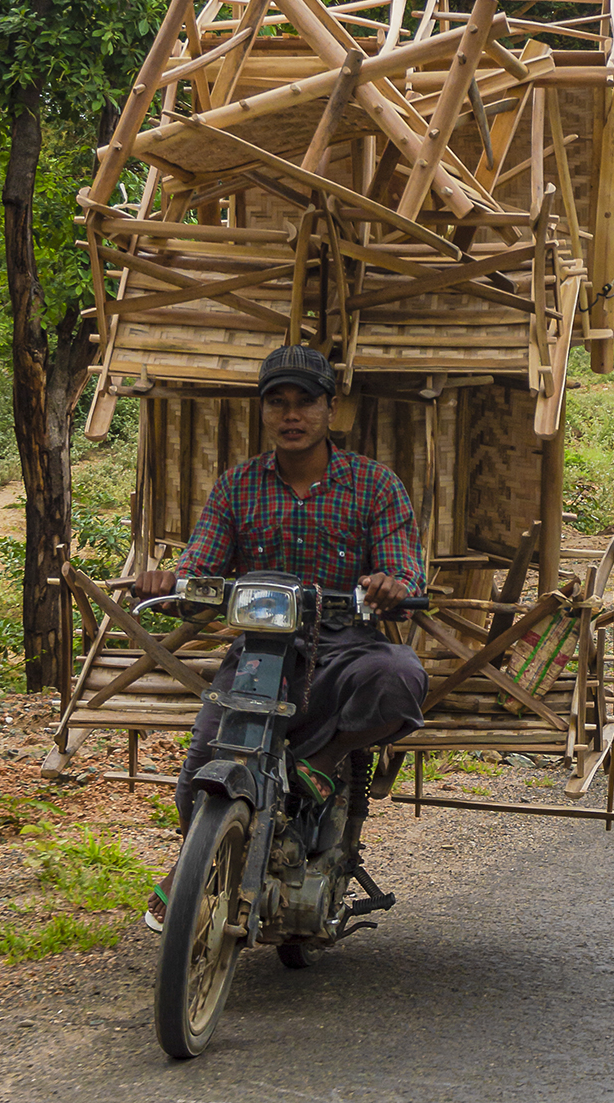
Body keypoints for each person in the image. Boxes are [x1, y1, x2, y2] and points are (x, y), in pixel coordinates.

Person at [133, 345, 428, 930]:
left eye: (305, 404)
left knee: (400, 679)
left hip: (347, 648)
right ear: (263, 413)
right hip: (259, 653)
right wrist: (172, 580)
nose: (291, 416)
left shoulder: (375, 485)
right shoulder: (237, 486)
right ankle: (199, 862)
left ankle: (323, 760)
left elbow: (405, 571)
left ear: (330, 409)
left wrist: (391, 585)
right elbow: (201, 567)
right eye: (278, 404)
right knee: (201, 767)